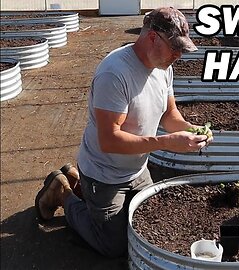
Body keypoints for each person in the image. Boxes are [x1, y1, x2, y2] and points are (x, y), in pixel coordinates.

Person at [34, 7, 212, 258]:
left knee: (151, 224)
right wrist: (165, 142)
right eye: (175, 48)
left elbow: (169, 115)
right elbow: (109, 140)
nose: (179, 55)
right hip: (105, 173)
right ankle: (64, 192)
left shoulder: (163, 69)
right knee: (114, 245)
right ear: (152, 37)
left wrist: (194, 131)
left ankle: (78, 184)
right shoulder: (115, 73)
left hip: (137, 169)